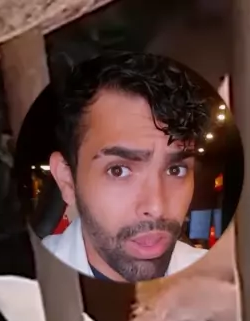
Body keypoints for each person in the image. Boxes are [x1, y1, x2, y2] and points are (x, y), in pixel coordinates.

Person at [43, 51, 212, 282]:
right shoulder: (22, 286)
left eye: (175, 170)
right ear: (67, 180)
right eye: (119, 170)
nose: (156, 208)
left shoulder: (224, 279)